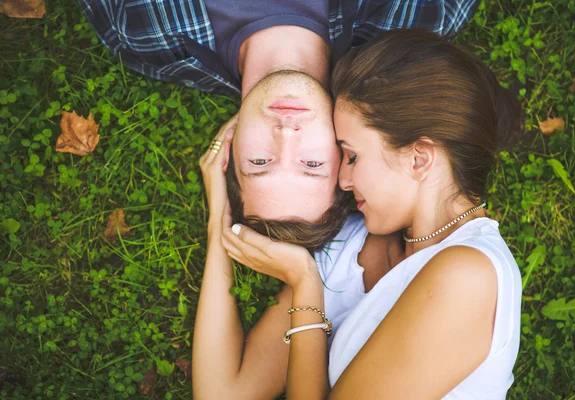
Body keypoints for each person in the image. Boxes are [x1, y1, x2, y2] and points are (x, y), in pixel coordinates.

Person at [220, 29, 522, 399]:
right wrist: (217, 211)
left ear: (419, 158)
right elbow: (224, 393)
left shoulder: (466, 277)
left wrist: (306, 286)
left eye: (352, 155)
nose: (343, 180)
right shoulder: (364, 246)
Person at [78, 0, 481, 251]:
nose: (286, 134)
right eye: (311, 165)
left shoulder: (142, 30)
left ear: (230, 143)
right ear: (345, 155)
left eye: (258, 161)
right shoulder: (414, 19)